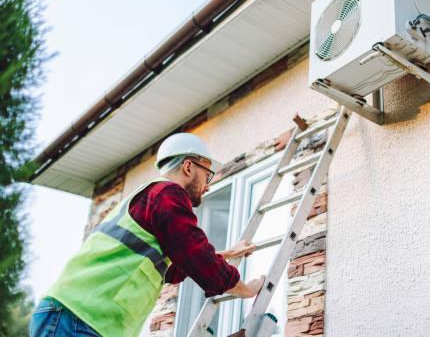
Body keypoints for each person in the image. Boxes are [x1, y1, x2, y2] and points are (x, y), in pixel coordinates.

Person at [29, 133, 264, 337]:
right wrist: (247, 290)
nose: (208, 185)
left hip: (80, 316)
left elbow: (174, 268)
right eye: (208, 175)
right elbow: (195, 256)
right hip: (79, 317)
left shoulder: (150, 196)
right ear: (189, 167)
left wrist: (226, 254)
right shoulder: (168, 194)